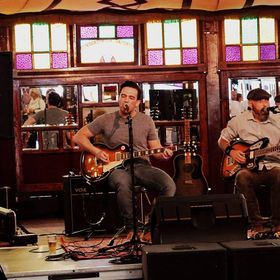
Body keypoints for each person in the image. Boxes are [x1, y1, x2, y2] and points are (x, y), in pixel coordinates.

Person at [73, 81, 176, 236]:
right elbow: (78, 137)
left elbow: (155, 150)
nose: (126, 100)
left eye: (131, 98)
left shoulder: (146, 121)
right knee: (122, 182)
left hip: (141, 165)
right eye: (123, 96)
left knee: (169, 185)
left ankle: (150, 225)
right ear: (119, 98)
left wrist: (163, 154)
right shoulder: (107, 119)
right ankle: (131, 228)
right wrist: (95, 151)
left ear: (138, 102)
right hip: (115, 168)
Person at [218, 88, 280, 233]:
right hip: (249, 168)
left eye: (266, 100)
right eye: (260, 101)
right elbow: (222, 140)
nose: (264, 104)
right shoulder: (238, 121)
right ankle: (256, 224)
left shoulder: (277, 120)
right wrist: (231, 152)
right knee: (242, 177)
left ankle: (277, 223)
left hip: (273, 165)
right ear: (251, 104)